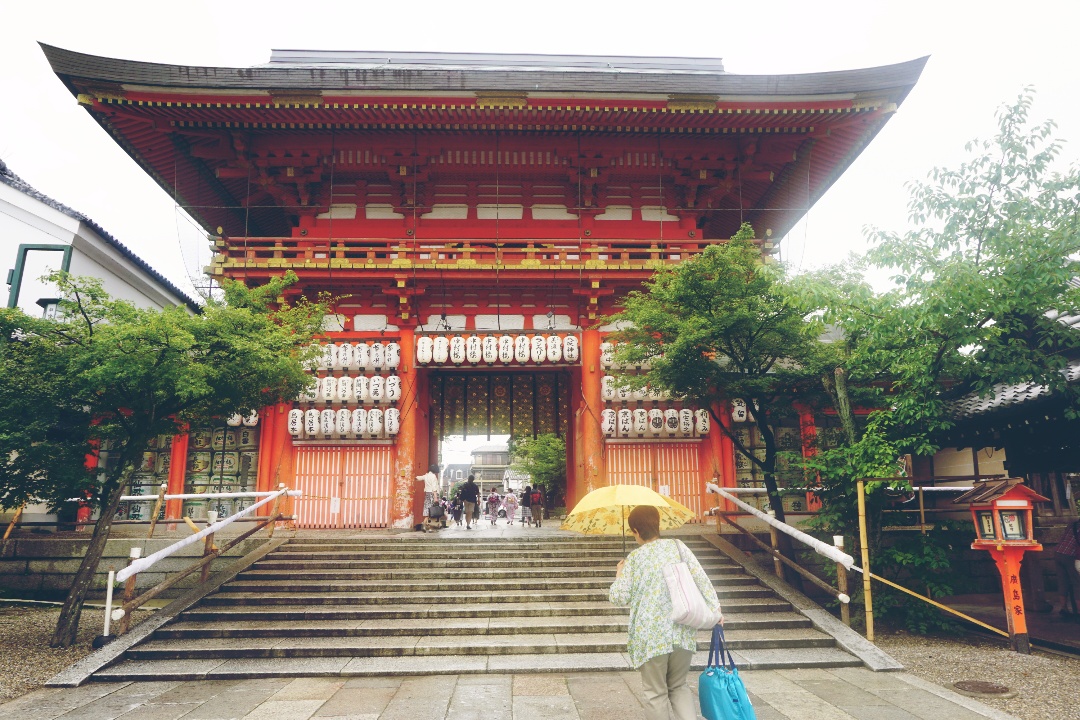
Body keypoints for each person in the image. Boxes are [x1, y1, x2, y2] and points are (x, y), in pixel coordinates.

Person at [608, 505, 722, 720]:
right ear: (657, 524)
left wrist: (619, 574)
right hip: (682, 628)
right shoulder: (678, 547)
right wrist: (716, 609)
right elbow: (701, 579)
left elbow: (619, 597)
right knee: (679, 686)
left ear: (636, 531)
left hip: (651, 635)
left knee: (655, 693)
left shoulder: (635, 558)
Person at [1054, 518, 1080, 617]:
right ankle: (1078, 612)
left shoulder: (1073, 523)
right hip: (1071, 556)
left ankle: (1064, 608)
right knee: (1077, 583)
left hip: (1058, 552)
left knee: (1062, 582)